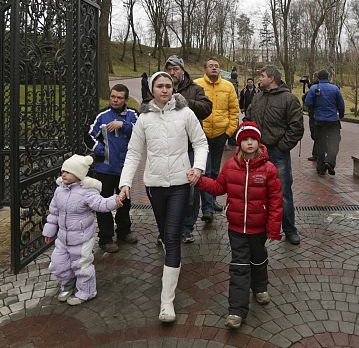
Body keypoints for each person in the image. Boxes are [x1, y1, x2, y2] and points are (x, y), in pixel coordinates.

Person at [118, 72, 209, 323]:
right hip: (154, 185)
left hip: (181, 182)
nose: (165, 90)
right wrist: (125, 183)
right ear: (152, 89)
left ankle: (166, 301)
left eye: (169, 86)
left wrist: (198, 167)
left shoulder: (186, 113)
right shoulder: (143, 118)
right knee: (165, 233)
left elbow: (201, 143)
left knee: (172, 235)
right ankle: (170, 272)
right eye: (160, 86)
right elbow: (134, 153)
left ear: (173, 89)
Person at [192, 121, 282, 330]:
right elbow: (217, 187)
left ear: (258, 142)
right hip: (236, 228)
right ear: (239, 143)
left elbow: (276, 200)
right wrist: (199, 181)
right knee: (239, 266)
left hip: (259, 227)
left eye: (253, 139)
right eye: (245, 139)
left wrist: (274, 226)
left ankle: (260, 287)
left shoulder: (269, 169)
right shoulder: (230, 166)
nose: (250, 143)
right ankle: (236, 311)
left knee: (258, 259)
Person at [43, 154, 122, 305]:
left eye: (68, 172)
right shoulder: (59, 191)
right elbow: (54, 212)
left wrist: (115, 201)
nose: (64, 174)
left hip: (82, 238)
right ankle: (68, 283)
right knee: (58, 263)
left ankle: (87, 291)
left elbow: (101, 204)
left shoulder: (87, 192)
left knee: (82, 266)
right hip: (63, 238)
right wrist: (49, 230)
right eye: (63, 171)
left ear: (78, 174)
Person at [243, 65, 304, 245]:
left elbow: (296, 127)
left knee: (283, 193)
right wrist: (249, 138)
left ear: (272, 78)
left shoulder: (289, 99)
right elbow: (248, 117)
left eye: (262, 76)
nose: (259, 79)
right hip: (257, 152)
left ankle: (290, 229)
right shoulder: (258, 96)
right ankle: (257, 229)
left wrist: (282, 147)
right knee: (255, 191)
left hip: (278, 153)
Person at [162, 54, 213, 244]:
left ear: (182, 70)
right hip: (168, 147)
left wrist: (186, 102)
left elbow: (207, 108)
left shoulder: (195, 89)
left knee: (191, 190)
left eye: (175, 69)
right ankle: (168, 228)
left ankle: (186, 228)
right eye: (169, 69)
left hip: (190, 146)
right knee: (168, 189)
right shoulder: (161, 87)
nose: (172, 72)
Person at [86, 84, 139, 253]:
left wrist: (122, 124)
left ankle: (124, 231)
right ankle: (106, 238)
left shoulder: (132, 114)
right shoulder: (102, 115)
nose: (115, 100)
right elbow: (88, 136)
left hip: (125, 169)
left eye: (119, 97)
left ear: (125, 99)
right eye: (113, 97)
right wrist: (101, 150)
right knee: (103, 204)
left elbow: (140, 131)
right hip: (105, 169)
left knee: (125, 202)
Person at [195, 57, 239, 223]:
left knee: (215, 171)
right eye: (211, 66)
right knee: (204, 170)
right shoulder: (197, 84)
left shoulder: (228, 86)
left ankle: (212, 200)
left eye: (217, 66)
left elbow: (234, 110)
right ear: (205, 68)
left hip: (220, 134)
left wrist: (229, 132)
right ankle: (206, 208)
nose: (214, 68)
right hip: (201, 134)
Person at [304, 69, 345, 176]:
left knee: (320, 144)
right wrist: (340, 115)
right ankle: (330, 162)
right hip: (333, 121)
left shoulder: (313, 88)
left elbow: (308, 102)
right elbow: (341, 104)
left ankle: (321, 168)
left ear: (318, 77)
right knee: (334, 142)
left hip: (319, 121)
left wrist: (315, 109)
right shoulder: (335, 88)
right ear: (328, 77)